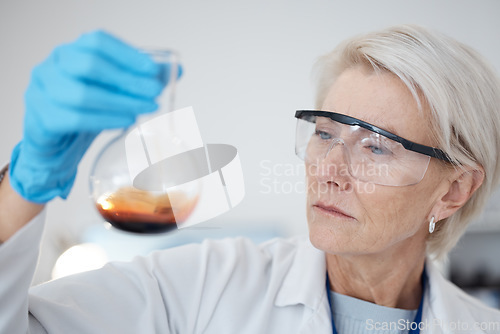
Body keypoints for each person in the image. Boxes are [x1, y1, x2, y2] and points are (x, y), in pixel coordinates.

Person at [0, 24, 499, 334]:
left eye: (376, 146)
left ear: (453, 191)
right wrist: (26, 184)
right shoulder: (201, 286)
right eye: (325, 134)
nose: (328, 170)